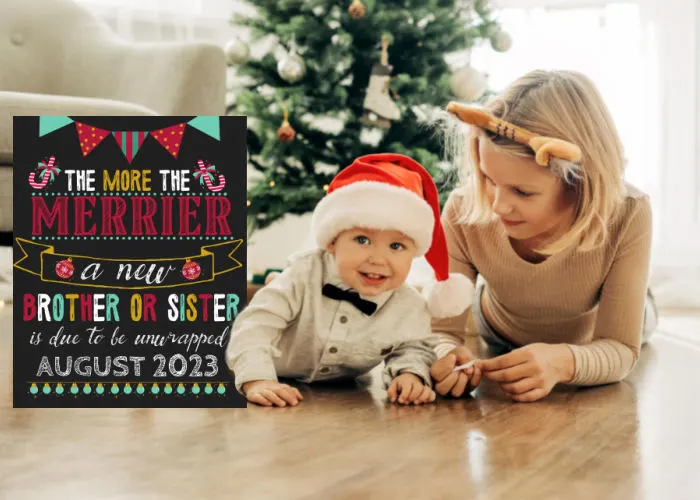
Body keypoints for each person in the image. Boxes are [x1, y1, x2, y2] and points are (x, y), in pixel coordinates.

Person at [429, 69, 658, 403]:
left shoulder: (629, 212)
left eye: (523, 192)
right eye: (490, 179)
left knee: (638, 317)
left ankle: (641, 295)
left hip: (593, 330)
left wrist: (565, 363)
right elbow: (442, 332)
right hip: (501, 325)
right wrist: (445, 353)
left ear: (580, 181)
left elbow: (621, 348)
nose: (498, 206)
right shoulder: (463, 209)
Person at [226, 153, 470, 407]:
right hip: (273, 371)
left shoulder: (409, 305)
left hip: (342, 398)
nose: (378, 259)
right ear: (332, 241)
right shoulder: (303, 275)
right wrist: (257, 379)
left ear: (415, 252)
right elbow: (254, 326)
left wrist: (409, 375)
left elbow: (414, 347)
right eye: (362, 240)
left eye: (396, 245)